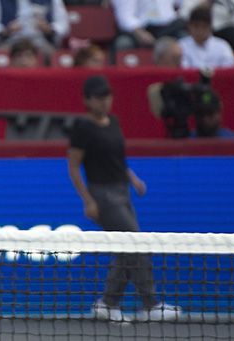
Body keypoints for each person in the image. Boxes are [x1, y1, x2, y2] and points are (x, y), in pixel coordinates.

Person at [68, 75, 182, 323]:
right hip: (102, 194)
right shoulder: (82, 127)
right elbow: (74, 167)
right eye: (99, 97)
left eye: (107, 96)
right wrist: (88, 200)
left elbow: (118, 160)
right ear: (87, 100)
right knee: (136, 244)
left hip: (122, 191)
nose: (105, 102)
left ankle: (108, 304)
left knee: (126, 250)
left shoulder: (114, 123)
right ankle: (151, 303)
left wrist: (133, 179)